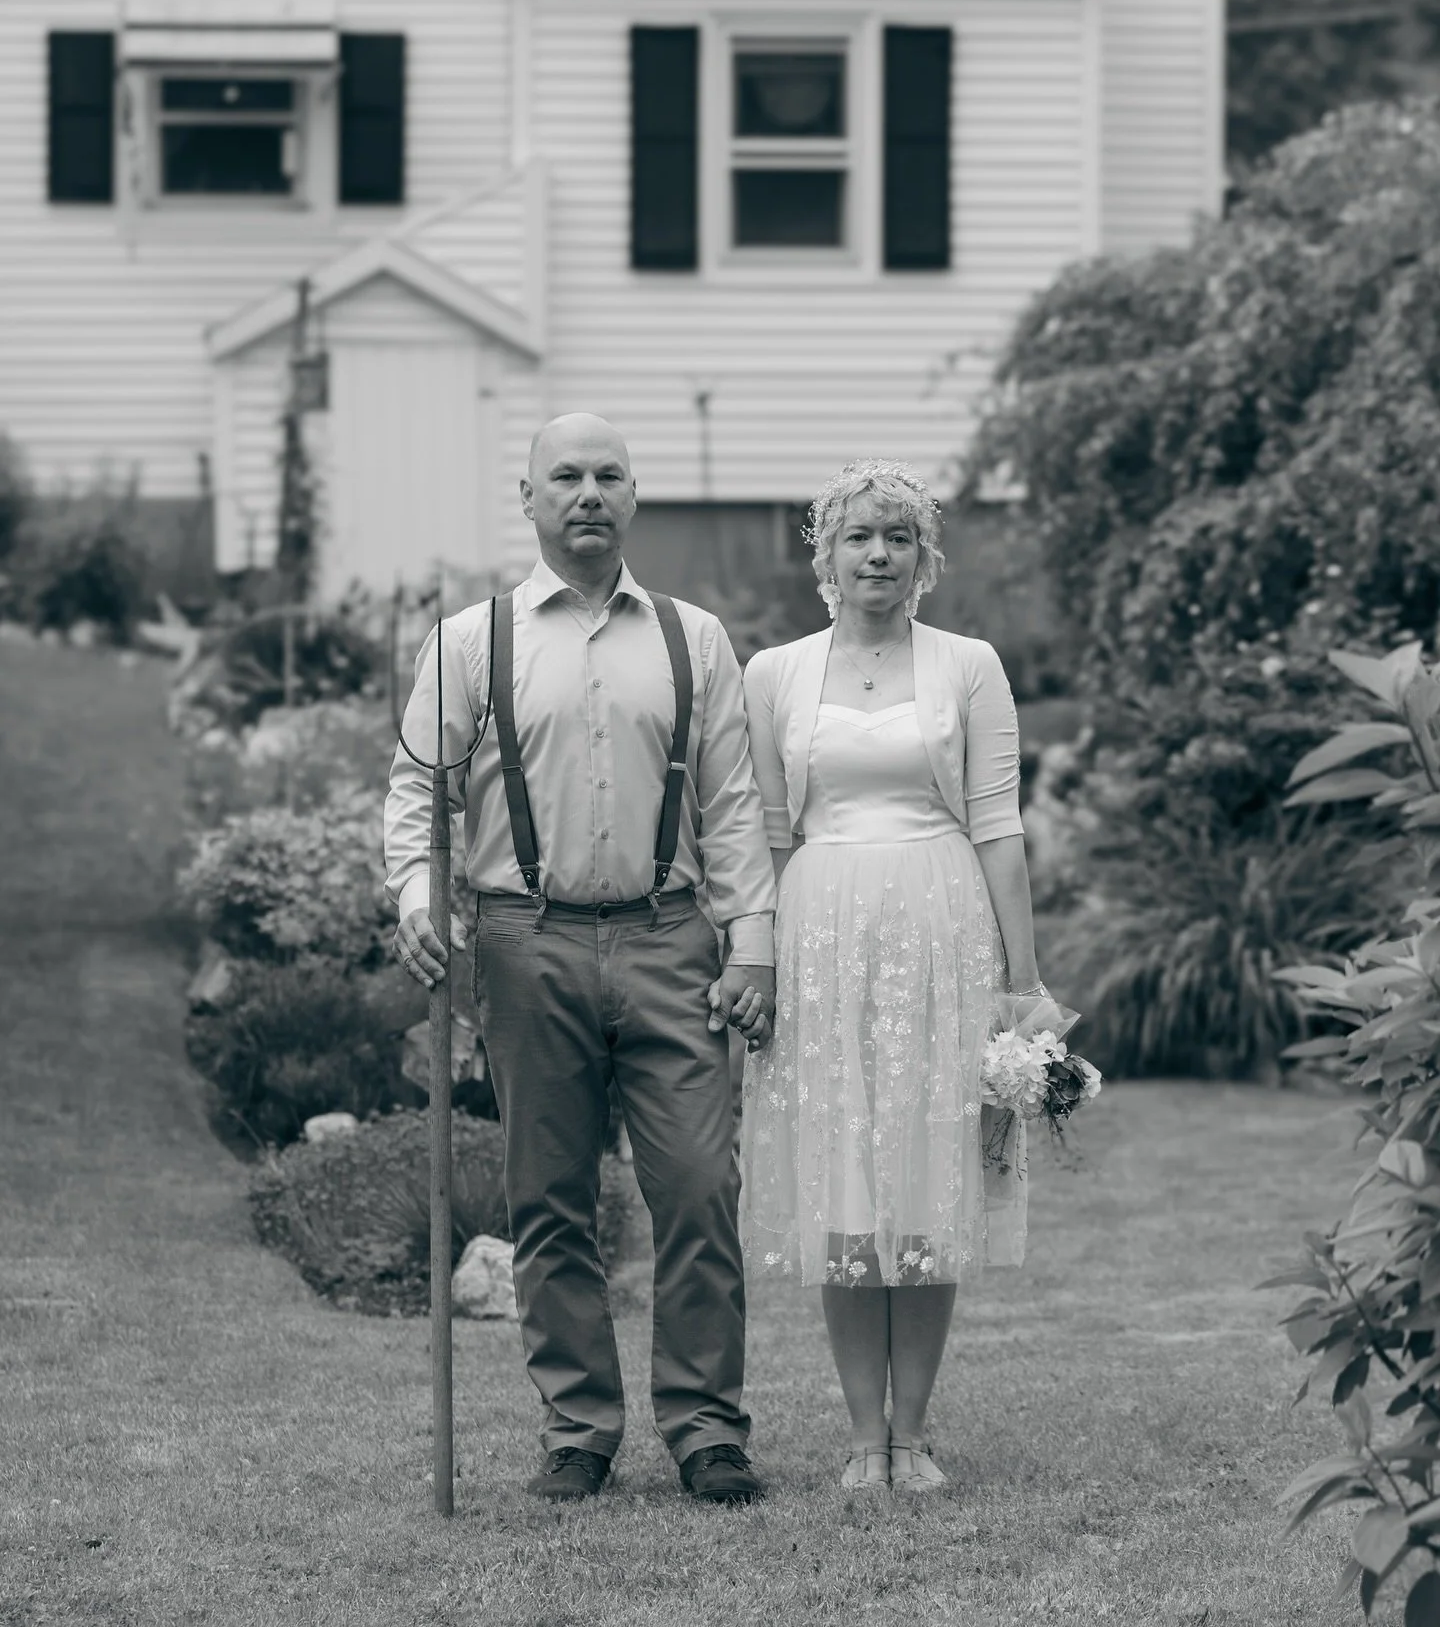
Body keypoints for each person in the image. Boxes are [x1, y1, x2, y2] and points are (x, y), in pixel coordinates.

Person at [385, 414, 777, 1505]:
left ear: (635, 496)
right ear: (529, 499)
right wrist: (422, 898)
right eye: (567, 476)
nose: (589, 493)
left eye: (609, 475)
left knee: (698, 1187)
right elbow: (417, 790)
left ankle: (707, 1429)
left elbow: (734, 803)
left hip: (672, 936)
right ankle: (580, 1428)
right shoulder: (475, 641)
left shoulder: (694, 639)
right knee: (548, 1196)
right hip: (525, 939)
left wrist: (756, 945)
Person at [733, 459, 1047, 1494]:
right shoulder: (775, 672)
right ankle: (862, 1436)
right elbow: (769, 833)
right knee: (846, 1184)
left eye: (898, 538)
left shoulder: (969, 665)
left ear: (925, 558)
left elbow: (998, 825)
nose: (878, 555)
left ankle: (914, 1433)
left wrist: (1021, 982)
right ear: (823, 557)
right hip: (821, 932)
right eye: (859, 537)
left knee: (925, 1180)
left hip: (941, 928)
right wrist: (761, 954)